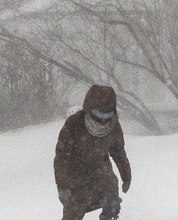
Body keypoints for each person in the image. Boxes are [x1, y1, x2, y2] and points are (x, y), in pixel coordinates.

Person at [54, 85, 131, 220]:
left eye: (107, 115)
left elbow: (118, 151)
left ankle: (110, 216)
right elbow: (62, 157)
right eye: (98, 114)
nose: (103, 121)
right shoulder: (74, 124)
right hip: (76, 175)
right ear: (89, 110)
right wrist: (62, 185)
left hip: (102, 172)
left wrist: (126, 175)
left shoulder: (113, 125)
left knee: (112, 200)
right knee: (74, 211)